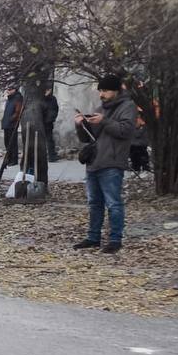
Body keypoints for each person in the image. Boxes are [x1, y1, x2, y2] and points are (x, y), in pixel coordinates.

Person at [73, 74, 137, 253]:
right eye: (100, 90)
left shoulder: (128, 107)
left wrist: (104, 120)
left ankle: (115, 239)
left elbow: (125, 131)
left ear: (117, 90)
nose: (102, 94)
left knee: (113, 203)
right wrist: (81, 124)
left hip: (112, 162)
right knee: (94, 203)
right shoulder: (101, 108)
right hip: (94, 161)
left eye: (106, 90)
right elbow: (88, 138)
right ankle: (93, 237)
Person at [1, 84, 24, 165]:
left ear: (14, 90)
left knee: (12, 142)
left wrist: (11, 119)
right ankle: (9, 158)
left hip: (12, 124)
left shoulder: (17, 98)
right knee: (7, 142)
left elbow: (18, 112)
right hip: (7, 123)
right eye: (8, 89)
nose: (8, 91)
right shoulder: (9, 99)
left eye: (10, 89)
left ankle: (14, 160)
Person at [43, 85, 60, 161]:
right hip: (41, 121)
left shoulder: (52, 98)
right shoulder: (41, 98)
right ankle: (46, 155)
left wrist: (52, 118)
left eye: (48, 90)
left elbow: (55, 109)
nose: (46, 92)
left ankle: (52, 156)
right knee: (44, 139)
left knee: (49, 139)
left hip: (48, 122)